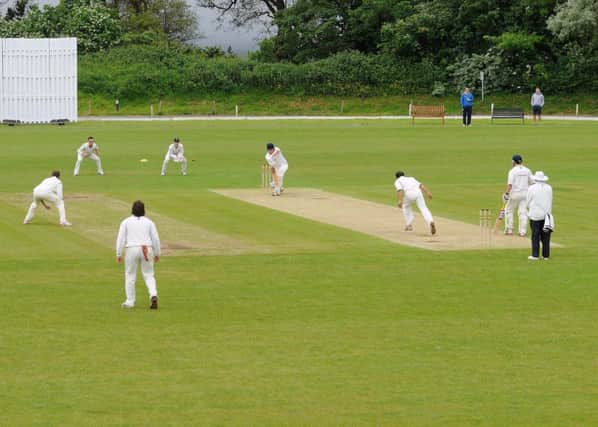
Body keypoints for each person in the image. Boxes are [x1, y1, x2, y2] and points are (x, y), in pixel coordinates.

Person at [116, 200, 161, 309]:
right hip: (147, 248)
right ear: (144, 210)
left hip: (131, 249)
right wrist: (157, 253)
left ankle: (130, 301)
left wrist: (118, 253)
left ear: (132, 210)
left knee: (130, 275)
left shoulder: (126, 222)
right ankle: (153, 294)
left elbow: (120, 238)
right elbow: (155, 238)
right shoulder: (149, 222)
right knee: (149, 274)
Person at [394, 171, 436, 235]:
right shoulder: (411, 178)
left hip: (409, 193)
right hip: (418, 193)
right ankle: (431, 221)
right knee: (424, 208)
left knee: (405, 206)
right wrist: (428, 192)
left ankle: (409, 225)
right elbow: (421, 185)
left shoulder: (398, 181)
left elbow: (400, 190)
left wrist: (400, 200)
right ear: (404, 175)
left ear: (396, 177)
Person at [504, 154, 534, 236]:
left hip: (514, 194)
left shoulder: (512, 171)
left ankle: (509, 230)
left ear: (513, 162)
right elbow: (532, 182)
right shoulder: (527, 170)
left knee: (509, 210)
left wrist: (506, 194)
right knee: (523, 212)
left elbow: (510, 185)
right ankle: (522, 232)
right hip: (525, 195)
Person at [526, 171, 553, 260]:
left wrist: (527, 208)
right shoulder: (549, 188)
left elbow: (528, 200)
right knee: (546, 236)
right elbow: (550, 200)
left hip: (535, 215)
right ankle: (546, 255)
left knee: (535, 235)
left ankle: (535, 255)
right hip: (546, 215)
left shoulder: (531, 188)